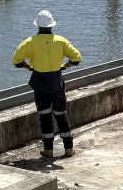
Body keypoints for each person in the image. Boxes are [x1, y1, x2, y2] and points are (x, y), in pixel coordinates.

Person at [12, 10, 82, 158]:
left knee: (45, 117)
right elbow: (77, 58)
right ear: (51, 26)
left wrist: (28, 67)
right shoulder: (61, 41)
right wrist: (64, 66)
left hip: (40, 85)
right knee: (61, 115)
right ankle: (68, 149)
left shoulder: (29, 42)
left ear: (37, 26)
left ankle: (48, 150)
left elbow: (16, 60)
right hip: (57, 84)